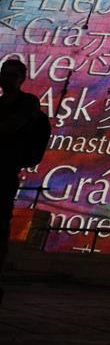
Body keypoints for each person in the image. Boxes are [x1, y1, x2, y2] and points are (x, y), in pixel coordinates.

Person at [0, 59, 43, 305]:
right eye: (3, 73)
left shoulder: (27, 102)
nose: (6, 78)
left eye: (12, 74)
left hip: (5, 171)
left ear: (22, 78)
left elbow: (13, 126)